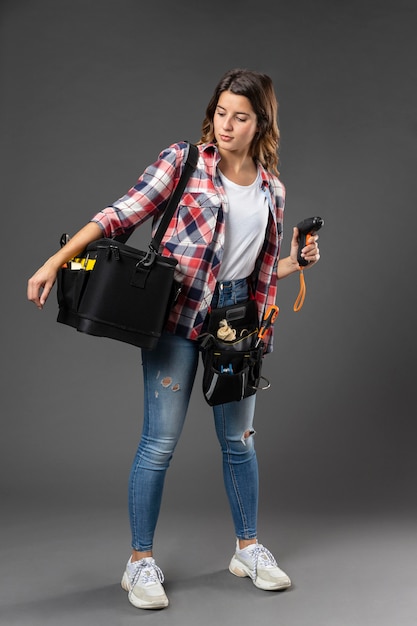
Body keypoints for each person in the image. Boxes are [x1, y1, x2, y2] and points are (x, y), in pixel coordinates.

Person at [27, 68, 320, 610]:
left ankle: (248, 550)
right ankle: (139, 563)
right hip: (177, 319)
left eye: (241, 116)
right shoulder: (184, 162)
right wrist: (55, 261)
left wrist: (295, 263)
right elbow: (121, 214)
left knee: (240, 441)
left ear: (262, 123)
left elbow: (254, 273)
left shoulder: (272, 189)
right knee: (159, 443)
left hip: (236, 324)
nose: (227, 125)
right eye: (221, 113)